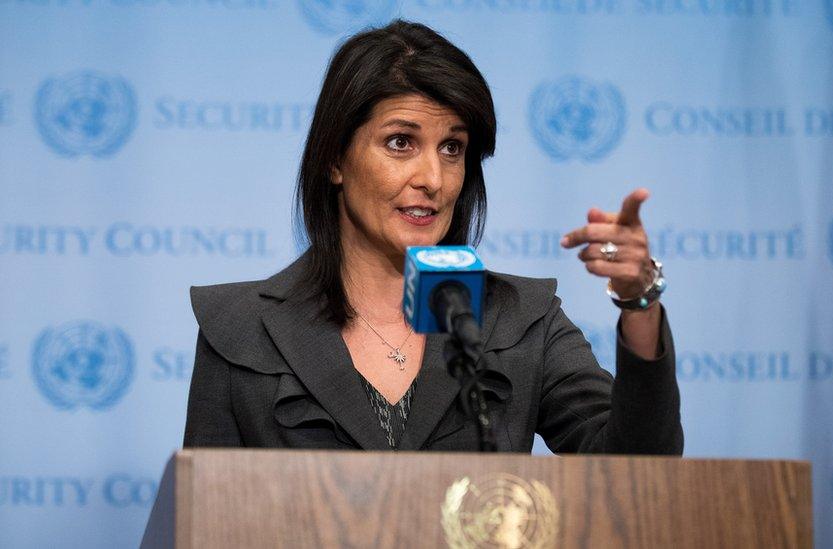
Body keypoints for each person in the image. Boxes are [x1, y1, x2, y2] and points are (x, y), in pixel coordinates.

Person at [183, 20, 682, 454]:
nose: (434, 179)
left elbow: (638, 467)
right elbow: (201, 517)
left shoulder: (521, 320)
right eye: (401, 142)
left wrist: (639, 301)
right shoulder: (241, 329)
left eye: (451, 148)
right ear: (335, 159)